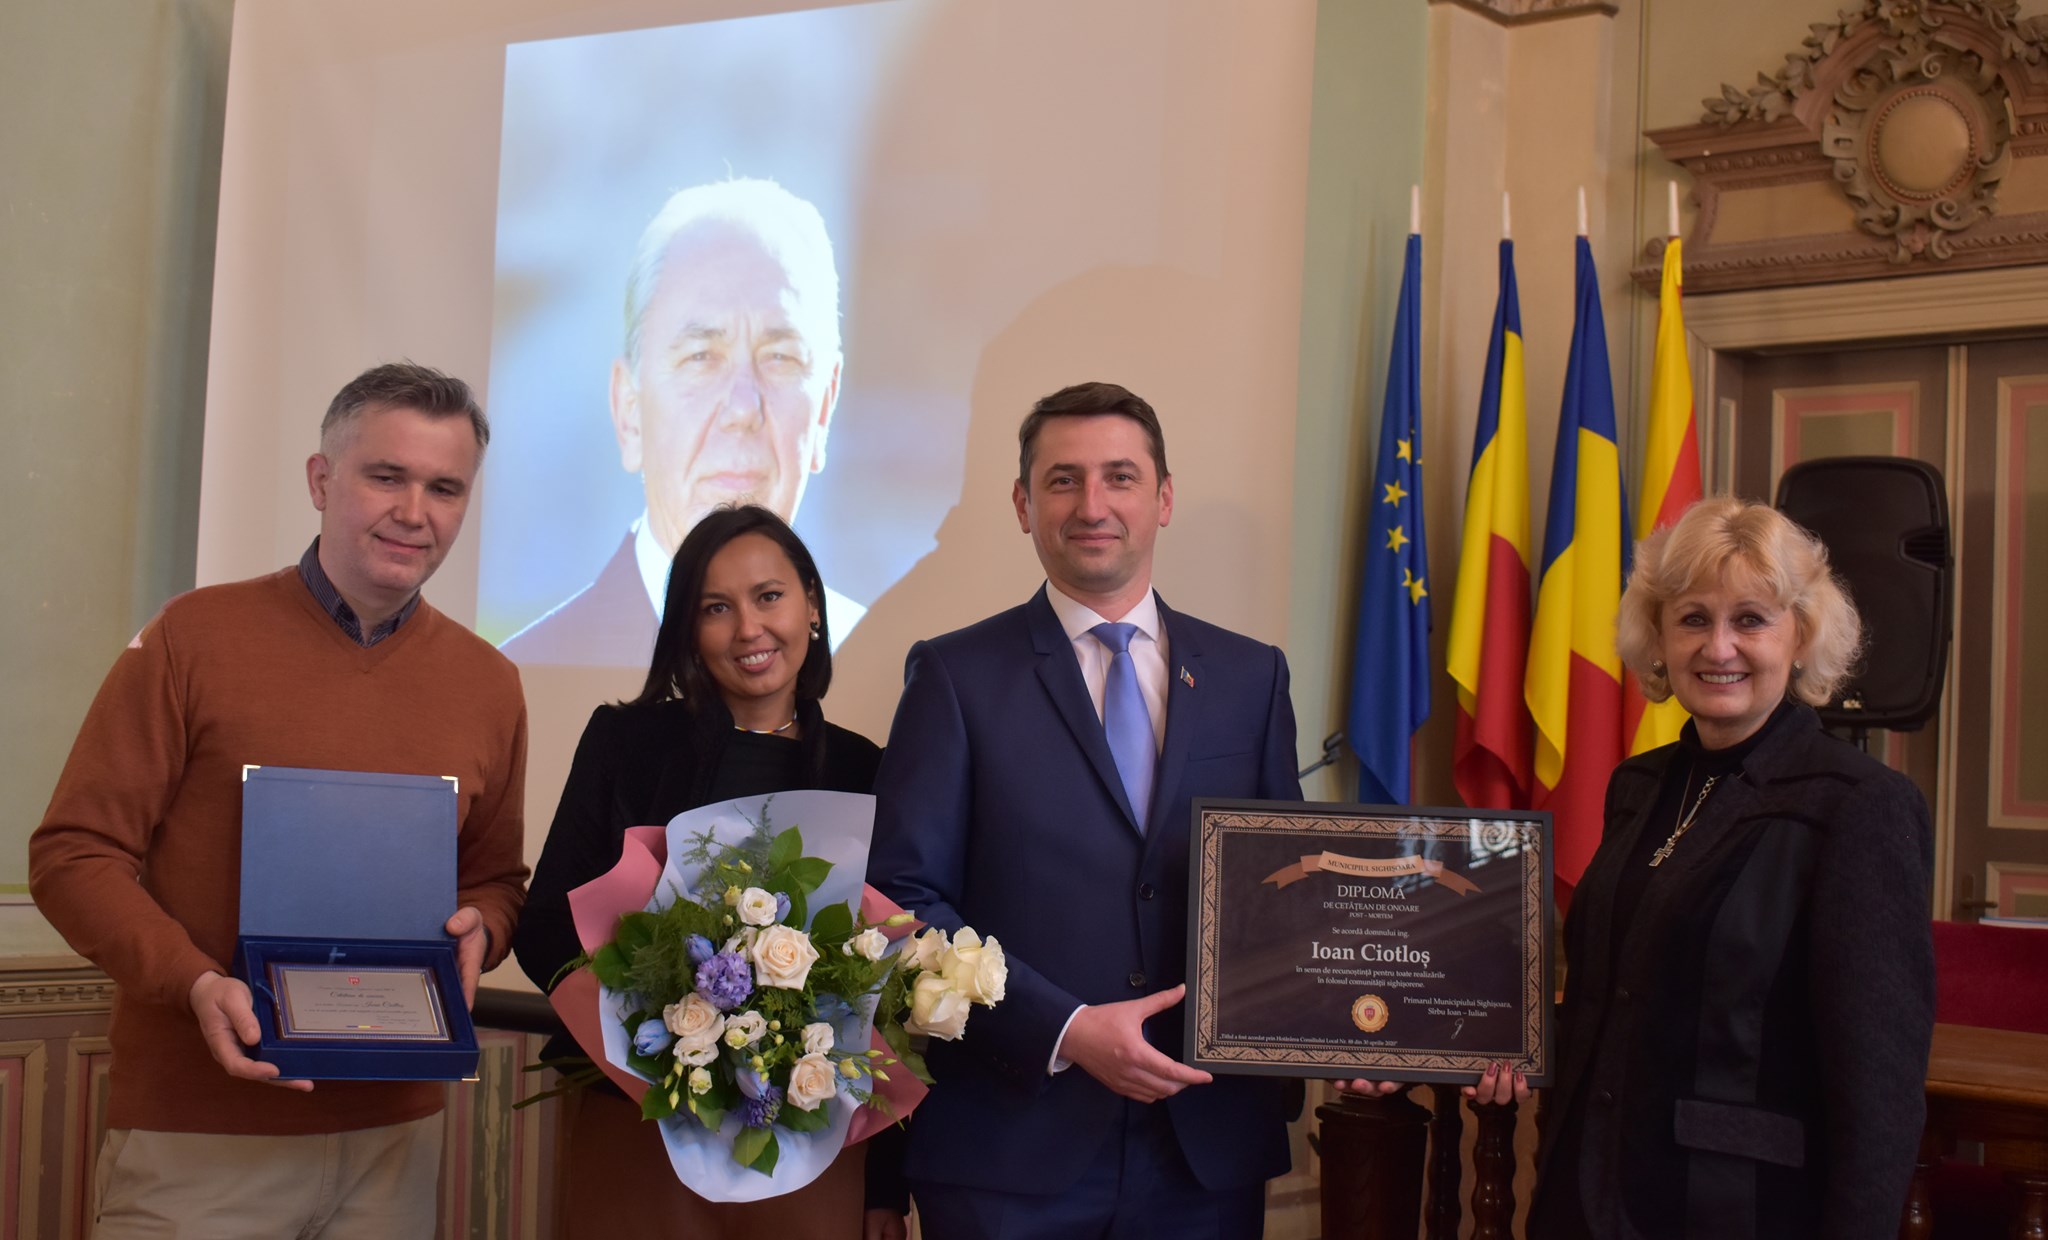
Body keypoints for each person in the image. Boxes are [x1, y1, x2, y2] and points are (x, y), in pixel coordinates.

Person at [28, 362, 529, 1238]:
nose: (416, 511)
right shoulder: (193, 637)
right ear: (320, 479)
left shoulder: (490, 684)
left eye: (444, 487)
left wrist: (483, 926)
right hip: (202, 1135)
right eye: (387, 476)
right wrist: (193, 983)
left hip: (395, 1141)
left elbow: (496, 879)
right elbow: (73, 856)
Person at [866, 382, 1306, 1238]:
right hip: (1011, 1151)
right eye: (1063, 480)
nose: (1092, 505)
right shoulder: (955, 679)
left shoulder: (1253, 679)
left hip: (1204, 1154)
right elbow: (902, 900)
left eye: (1120, 477)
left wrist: (1350, 1031)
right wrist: (1065, 1029)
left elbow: (1278, 895)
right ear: (1024, 503)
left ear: (1164, 497)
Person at [1525, 496, 1935, 1239]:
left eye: (1750, 618)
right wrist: (1483, 1043)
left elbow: (1879, 1096)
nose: (1718, 647)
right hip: (1584, 1198)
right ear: (1657, 637)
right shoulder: (1638, 786)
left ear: (1802, 635)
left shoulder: (1860, 807)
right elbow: (1607, 999)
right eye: (1692, 618)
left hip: (1734, 1211)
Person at [513, 504, 904, 1240]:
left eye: (769, 596)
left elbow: (887, 990)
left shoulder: (867, 770)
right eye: (715, 608)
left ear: (812, 605)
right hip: (635, 1116)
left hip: (808, 1130)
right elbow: (542, 931)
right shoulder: (626, 742)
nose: (749, 629)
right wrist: (651, 1024)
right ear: (688, 630)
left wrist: (885, 1183)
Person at [502, 178, 867, 666]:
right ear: (629, 412)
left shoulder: (887, 671)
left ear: (824, 409)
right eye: (701, 357)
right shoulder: (526, 677)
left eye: (779, 357)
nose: (743, 409)